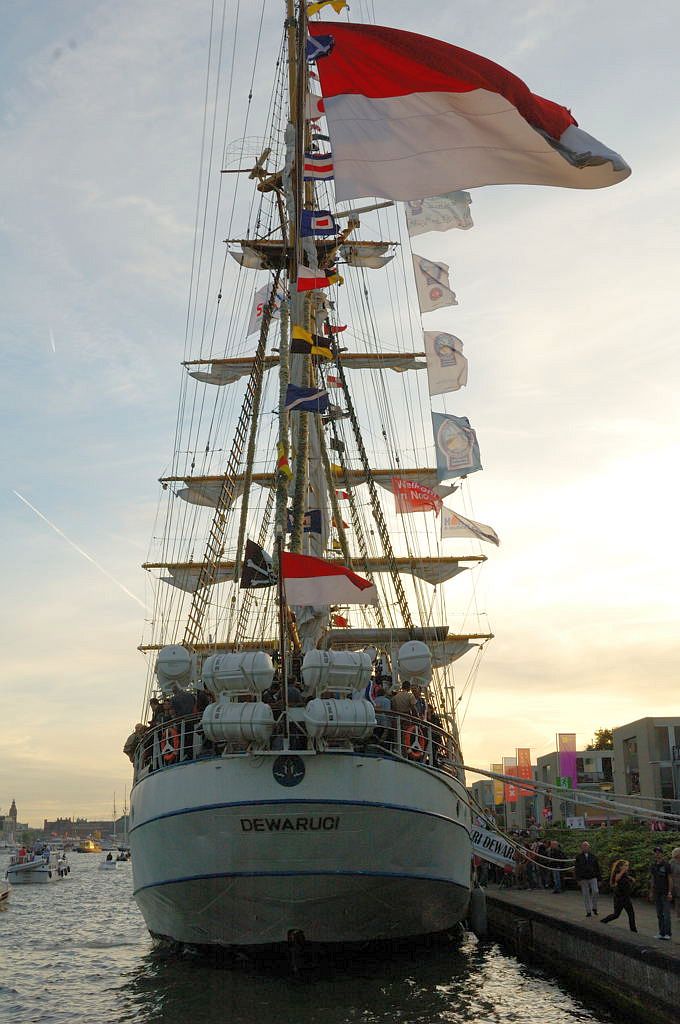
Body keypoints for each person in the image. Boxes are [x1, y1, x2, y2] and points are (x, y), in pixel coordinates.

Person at [600, 859, 637, 932]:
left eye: (627, 866)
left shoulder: (625, 874)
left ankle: (633, 930)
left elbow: (628, 880)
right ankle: (603, 921)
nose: (627, 867)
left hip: (625, 897)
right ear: (620, 867)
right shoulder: (617, 873)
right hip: (620, 897)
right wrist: (623, 871)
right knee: (616, 914)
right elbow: (616, 879)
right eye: (625, 866)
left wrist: (631, 879)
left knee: (630, 914)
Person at [649, 846, 673, 939]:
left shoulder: (666, 865)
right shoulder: (653, 865)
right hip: (657, 892)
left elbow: (670, 878)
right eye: (655, 852)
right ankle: (661, 932)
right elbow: (652, 879)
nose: (657, 854)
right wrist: (651, 891)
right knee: (659, 913)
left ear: (662, 853)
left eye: (659, 852)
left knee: (666, 913)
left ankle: (668, 933)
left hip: (665, 891)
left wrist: (670, 892)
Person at [574, 840, 601, 917]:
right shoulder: (578, 857)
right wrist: (578, 879)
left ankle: (594, 907)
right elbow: (577, 868)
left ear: (589, 847)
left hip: (592, 876)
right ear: (581, 848)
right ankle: (588, 911)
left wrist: (599, 879)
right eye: (583, 846)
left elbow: (597, 868)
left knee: (595, 891)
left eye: (586, 846)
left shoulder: (593, 857)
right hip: (583, 878)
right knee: (585, 895)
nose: (585, 847)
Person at [669, 847, 680, 920]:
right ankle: (679, 915)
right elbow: (669, 875)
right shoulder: (672, 862)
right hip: (676, 885)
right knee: (678, 901)